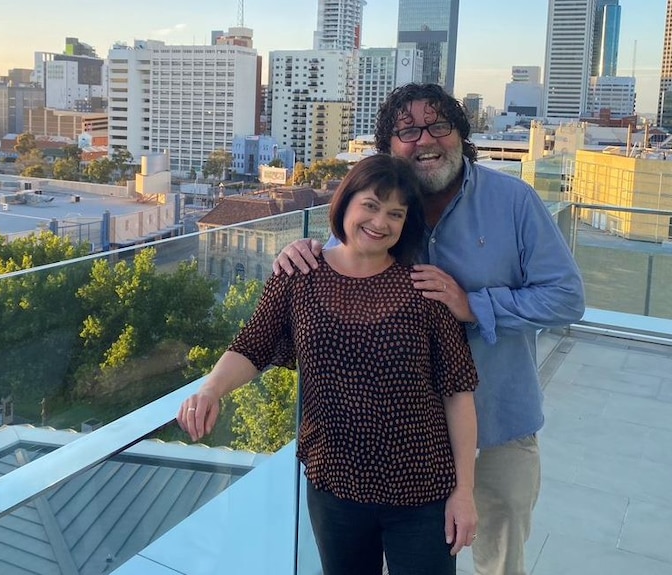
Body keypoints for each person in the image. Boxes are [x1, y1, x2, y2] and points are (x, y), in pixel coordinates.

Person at [273, 83, 586, 575]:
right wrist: (301, 251)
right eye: (408, 130)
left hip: (497, 426)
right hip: (402, 446)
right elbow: (346, 260)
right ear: (389, 146)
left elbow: (567, 296)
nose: (425, 140)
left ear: (461, 134)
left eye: (439, 125)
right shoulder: (384, 213)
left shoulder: (514, 202)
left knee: (500, 562)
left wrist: (474, 305)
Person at [178, 153, 480, 575]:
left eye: (395, 213)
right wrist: (210, 389)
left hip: (422, 490)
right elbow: (252, 346)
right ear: (346, 203)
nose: (380, 222)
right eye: (371, 206)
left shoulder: (423, 289)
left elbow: (458, 393)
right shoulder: (299, 273)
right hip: (335, 486)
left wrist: (463, 492)